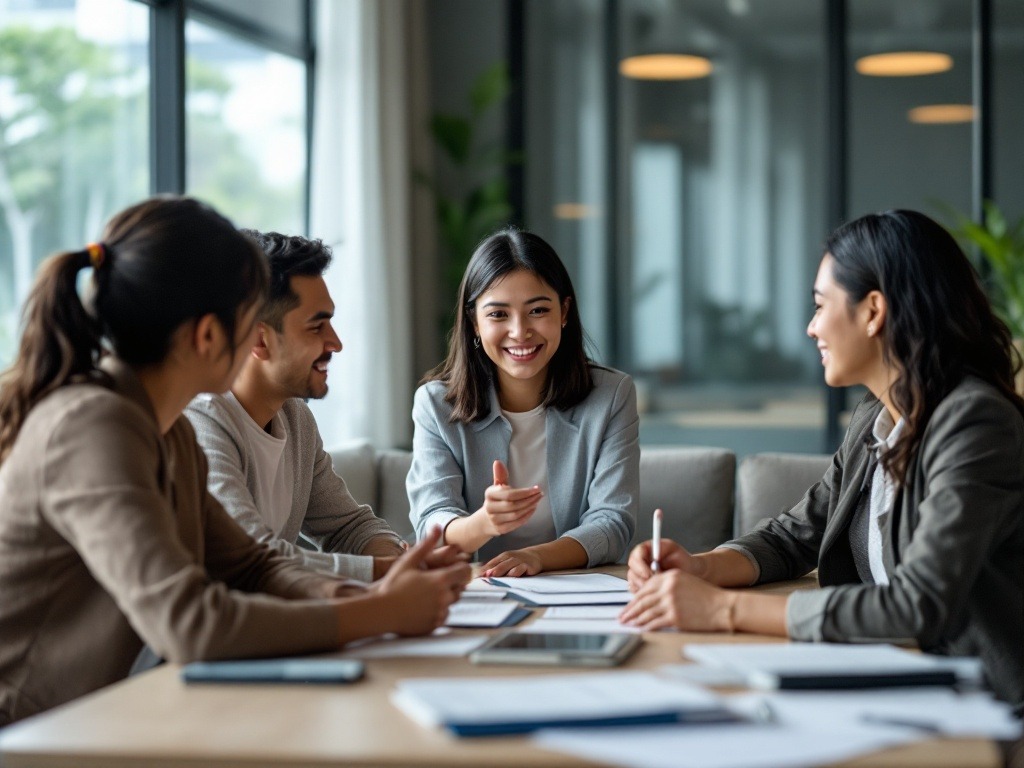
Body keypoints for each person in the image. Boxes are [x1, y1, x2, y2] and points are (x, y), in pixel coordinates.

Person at [0, 197, 470, 726]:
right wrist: (377, 611)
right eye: (249, 322)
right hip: (27, 737)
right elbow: (190, 624)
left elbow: (249, 565)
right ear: (206, 335)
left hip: (86, 725)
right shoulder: (92, 427)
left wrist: (369, 593)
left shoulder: (165, 429)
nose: (255, 343)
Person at [621, 210, 1024, 711]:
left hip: (984, 703)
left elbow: (917, 603)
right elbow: (793, 536)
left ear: (873, 311)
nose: (812, 328)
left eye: (819, 306)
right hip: (894, 677)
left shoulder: (975, 423)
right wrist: (702, 568)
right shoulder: (875, 418)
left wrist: (722, 609)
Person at [186, 231, 436, 582]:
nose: (336, 342)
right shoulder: (200, 425)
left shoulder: (295, 418)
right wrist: (381, 570)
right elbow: (251, 554)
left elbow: (348, 527)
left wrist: (396, 557)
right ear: (259, 338)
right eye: (317, 326)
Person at [407, 228, 639, 577]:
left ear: (563, 311)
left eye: (537, 310)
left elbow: (613, 522)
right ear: (474, 323)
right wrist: (484, 523)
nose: (519, 331)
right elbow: (431, 522)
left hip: (575, 590)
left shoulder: (611, 395)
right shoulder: (435, 404)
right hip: (474, 590)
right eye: (498, 314)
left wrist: (537, 557)